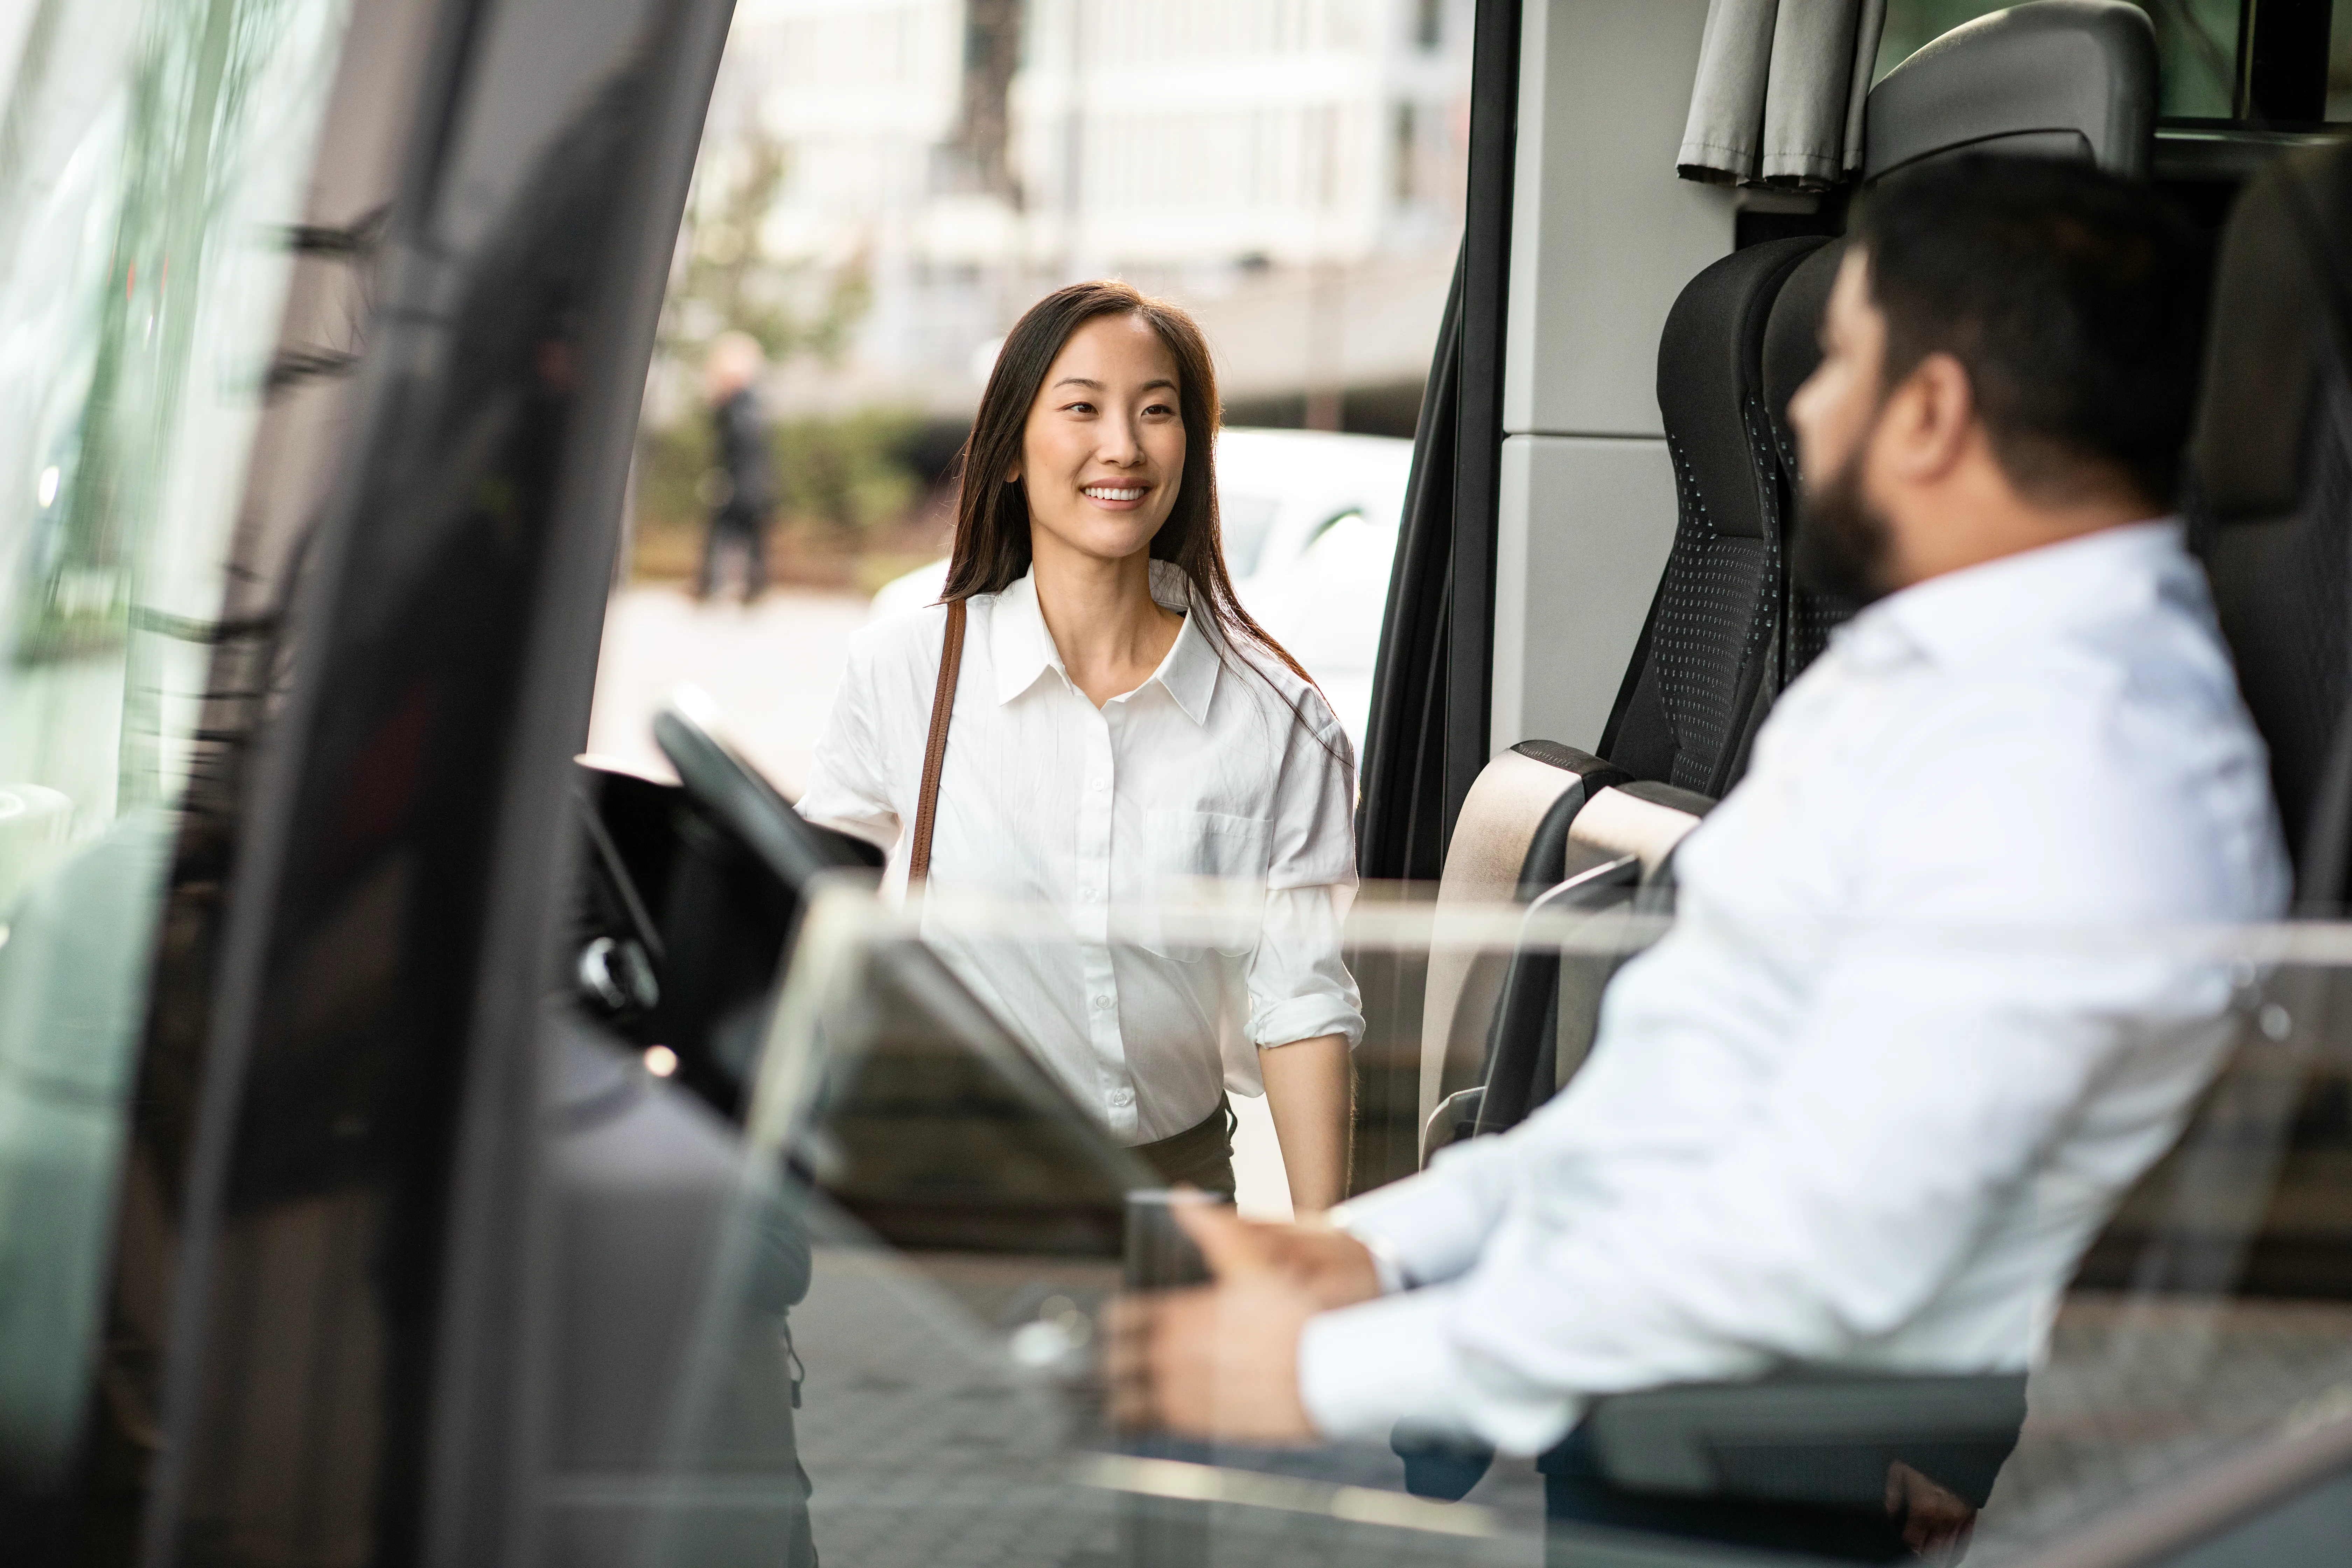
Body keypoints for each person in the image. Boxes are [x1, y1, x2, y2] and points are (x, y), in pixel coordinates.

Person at [1107, 156, 2291, 1559]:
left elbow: (1803, 1249)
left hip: (1782, 1467)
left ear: (1931, 413)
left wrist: (1321, 1377)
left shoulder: (2087, 773)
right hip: (1659, 1411)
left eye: (1839, 357)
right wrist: (1381, 1247)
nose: (1802, 406)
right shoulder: (1923, 676)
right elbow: (1683, 1107)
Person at [796, 281, 1360, 1212]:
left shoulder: (1279, 717)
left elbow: (1301, 1001)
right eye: (1083, 408)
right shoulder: (907, 672)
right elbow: (808, 921)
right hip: (947, 1197)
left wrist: (1317, 1254)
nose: (1124, 447)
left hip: (1172, 1201)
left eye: (1156, 412)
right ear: (1014, 449)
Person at [697, 331, 775, 603]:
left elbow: (742, 445)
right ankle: (731, 588)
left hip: (744, 482)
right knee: (742, 536)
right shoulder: (746, 403)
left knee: (730, 533)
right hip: (749, 481)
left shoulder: (742, 405)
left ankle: (718, 587)